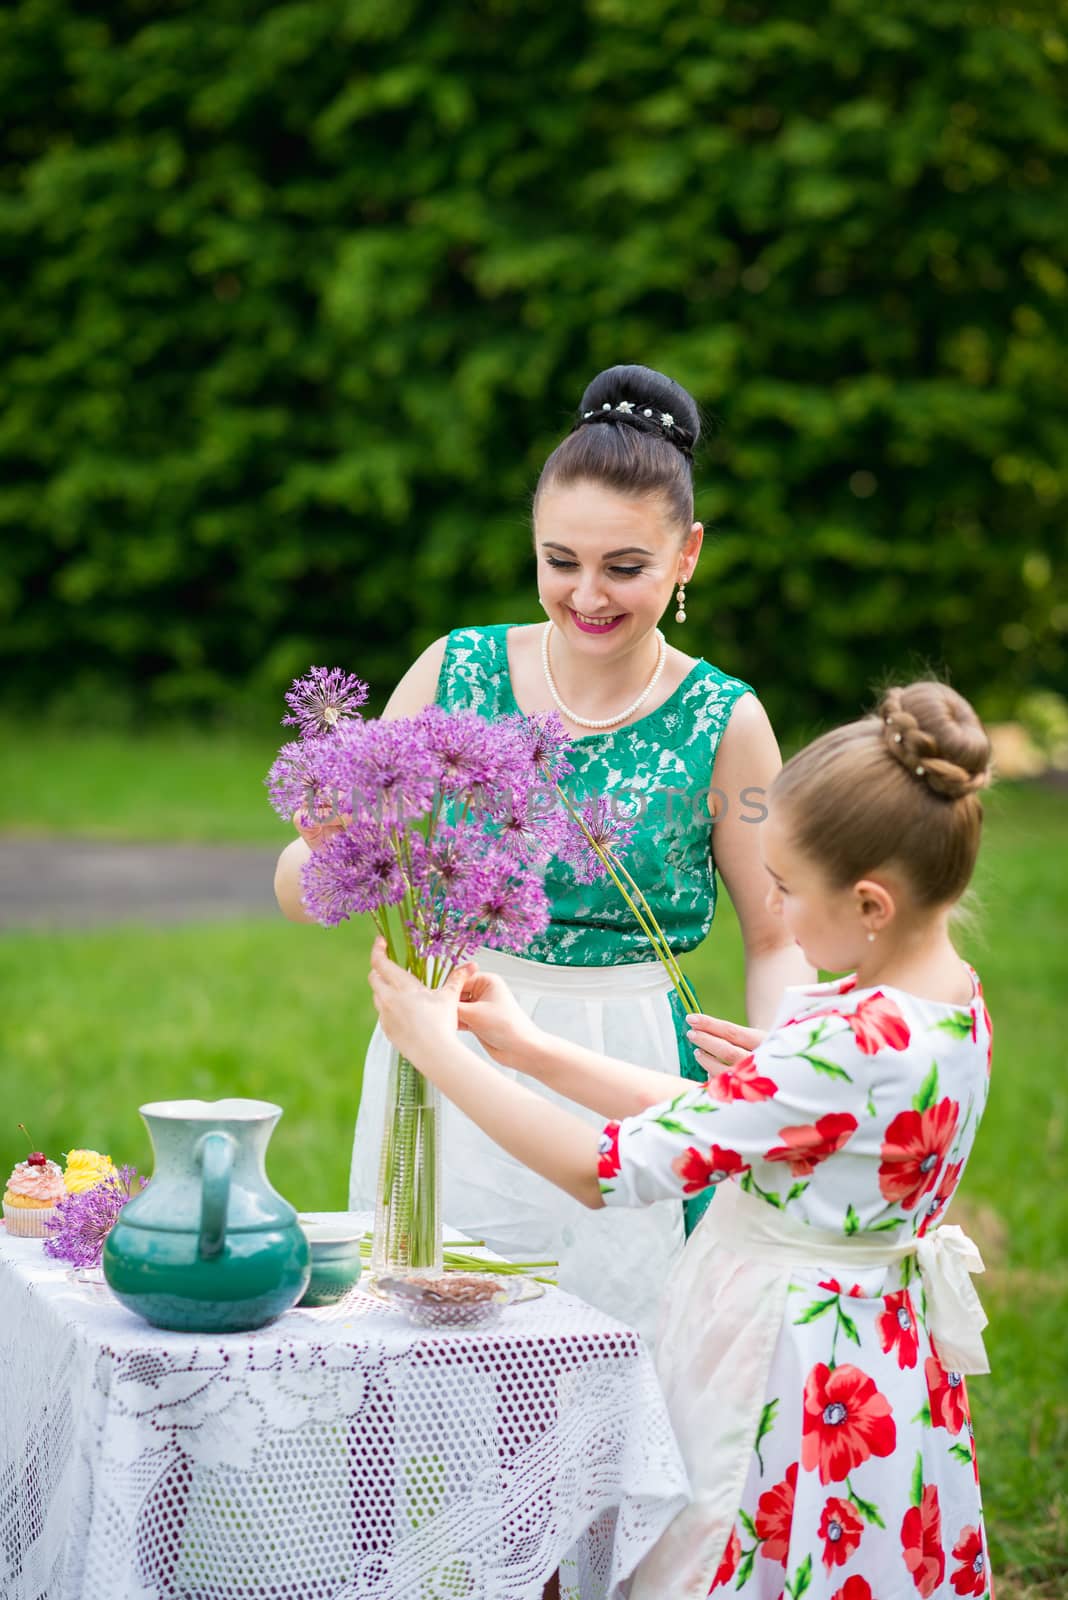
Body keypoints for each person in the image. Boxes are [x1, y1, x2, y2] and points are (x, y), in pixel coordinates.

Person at [368, 681, 996, 1600]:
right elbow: (740, 1125)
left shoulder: (841, 1044)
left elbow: (600, 1169)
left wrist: (436, 1051)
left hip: (780, 1360)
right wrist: (531, 1048)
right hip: (879, 1355)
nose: (772, 911)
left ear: (870, 903)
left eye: (784, 890)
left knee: (719, 1552)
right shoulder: (946, 1003)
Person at [275, 362, 812, 1338]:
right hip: (457, 1042)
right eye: (560, 560)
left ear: (687, 555)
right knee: (432, 1336)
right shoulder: (457, 668)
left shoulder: (724, 720)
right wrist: (324, 845)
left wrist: (776, 1066)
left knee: (620, 1354)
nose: (588, 594)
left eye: (625, 566)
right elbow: (307, 879)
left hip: (629, 1059)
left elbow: (776, 933)